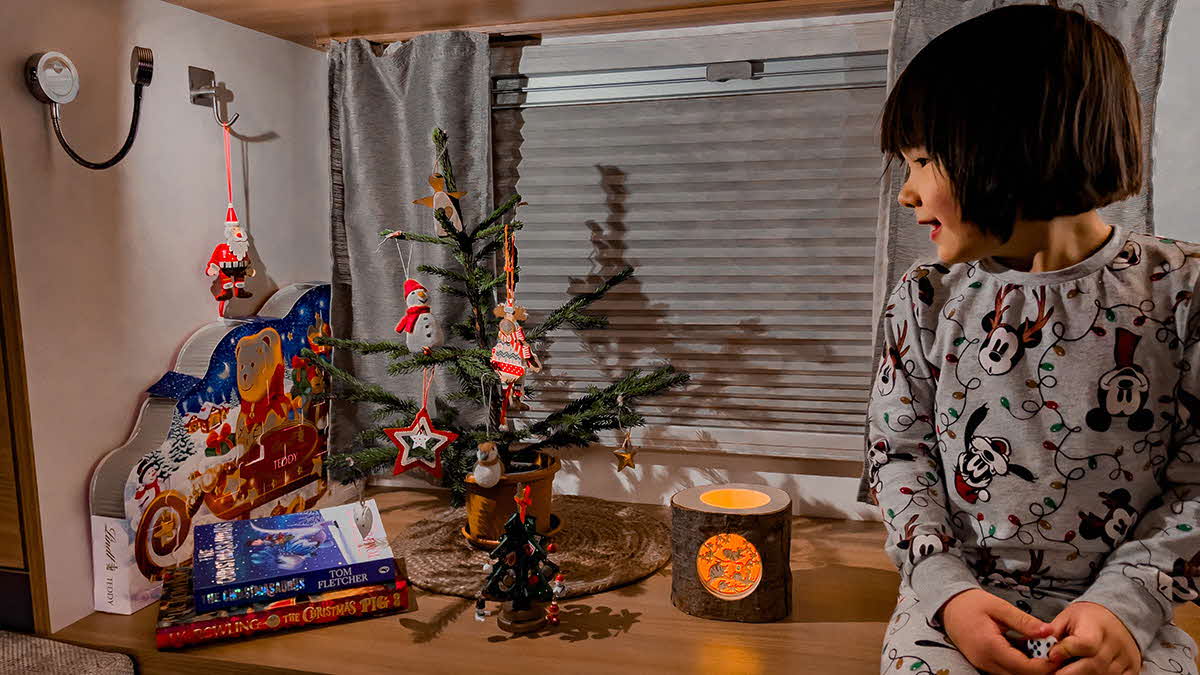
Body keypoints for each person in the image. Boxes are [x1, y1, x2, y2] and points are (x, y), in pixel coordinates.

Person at [862, 4, 1199, 674]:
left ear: (1009, 145)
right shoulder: (925, 299)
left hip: (1126, 612)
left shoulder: (1182, 292)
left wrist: (1124, 607)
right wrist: (947, 591)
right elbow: (898, 456)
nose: (907, 194)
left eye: (924, 161)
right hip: (952, 602)